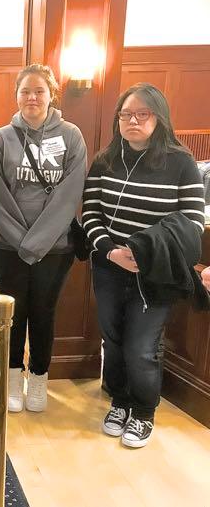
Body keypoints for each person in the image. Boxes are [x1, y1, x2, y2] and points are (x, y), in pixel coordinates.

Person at [82, 83, 205, 448]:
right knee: (113, 339)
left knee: (141, 346)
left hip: (156, 272)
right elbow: (90, 213)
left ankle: (143, 411)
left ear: (158, 117)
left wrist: (145, 252)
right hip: (109, 266)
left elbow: (193, 223)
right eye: (125, 114)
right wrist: (111, 251)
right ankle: (119, 401)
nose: (132, 121)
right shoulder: (105, 159)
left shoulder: (181, 162)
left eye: (141, 114)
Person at [0, 64, 87, 413]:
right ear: (16, 94)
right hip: (7, 246)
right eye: (25, 91)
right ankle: (12, 377)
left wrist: (37, 242)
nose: (32, 98)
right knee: (13, 315)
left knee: (43, 313)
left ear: (51, 94)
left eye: (39, 91)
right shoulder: (1, 139)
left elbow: (70, 195)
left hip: (54, 249)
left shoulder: (71, 136)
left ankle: (39, 376)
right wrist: (22, 241)